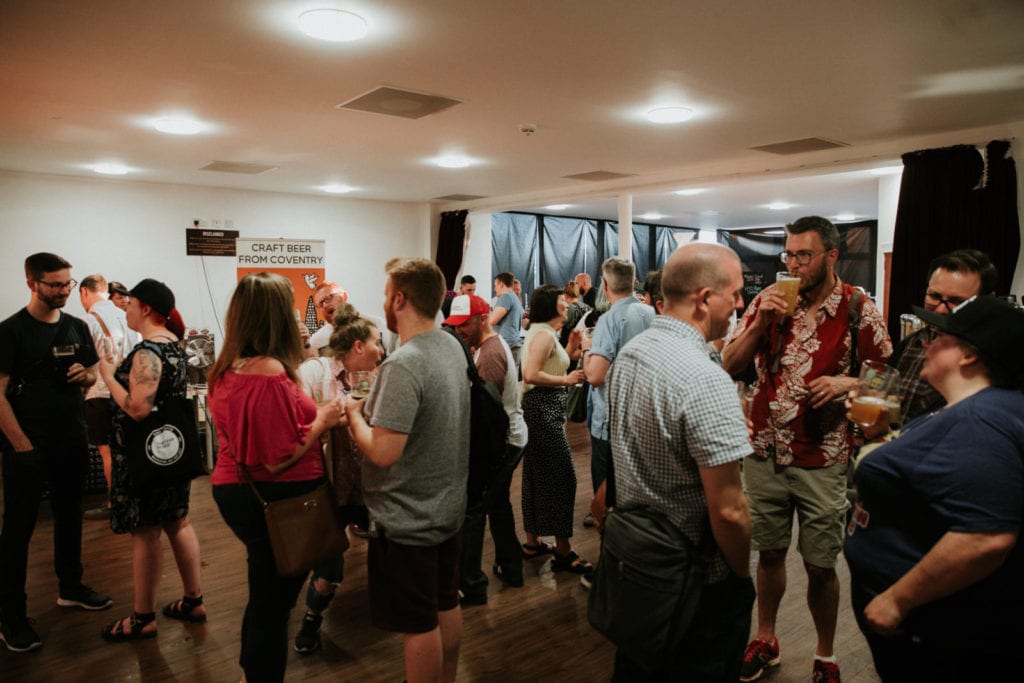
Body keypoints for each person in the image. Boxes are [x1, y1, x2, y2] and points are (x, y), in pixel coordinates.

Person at [722, 216, 892, 683]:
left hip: (823, 455)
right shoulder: (767, 301)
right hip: (764, 451)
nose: (793, 265)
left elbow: (887, 387)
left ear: (832, 256)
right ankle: (766, 638)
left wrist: (849, 381)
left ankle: (825, 654)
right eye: (788, 254)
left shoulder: (859, 309)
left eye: (804, 255)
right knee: (770, 553)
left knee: (820, 565)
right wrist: (761, 325)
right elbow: (730, 364)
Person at [845, 296, 1024, 680]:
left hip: (934, 631)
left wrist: (896, 599)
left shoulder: (980, 420)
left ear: (968, 356)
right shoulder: (966, 409)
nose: (925, 343)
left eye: (940, 337)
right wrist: (880, 435)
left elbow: (986, 535)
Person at [607, 242, 754, 681]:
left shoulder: (631, 354)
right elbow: (729, 509)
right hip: (695, 581)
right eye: (737, 293)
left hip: (636, 562)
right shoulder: (705, 378)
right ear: (705, 298)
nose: (741, 304)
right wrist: (740, 576)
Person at [207, 272, 342, 683]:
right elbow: (278, 460)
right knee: (273, 603)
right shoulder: (268, 374)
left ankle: (255, 673)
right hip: (278, 498)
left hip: (239, 490)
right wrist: (321, 421)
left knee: (266, 593)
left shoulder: (229, 368)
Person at [345, 257, 470, 683]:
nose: (382, 304)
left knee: (417, 624)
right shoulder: (451, 345)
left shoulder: (404, 363)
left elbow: (382, 452)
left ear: (399, 299)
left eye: (385, 295)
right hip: (447, 507)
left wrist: (353, 417)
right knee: (444, 602)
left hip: (408, 517)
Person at [0, 252, 112, 653]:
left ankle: (72, 586)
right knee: (18, 531)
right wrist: (22, 445)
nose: (64, 290)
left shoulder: (78, 327)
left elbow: (94, 371)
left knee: (70, 518)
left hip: (70, 440)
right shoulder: (10, 332)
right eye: (55, 284)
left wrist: (86, 376)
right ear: (31, 282)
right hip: (26, 447)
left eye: (68, 283)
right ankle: (11, 616)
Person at [97, 279, 205, 641]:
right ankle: (194, 600)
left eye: (129, 304)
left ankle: (142, 617)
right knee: (179, 521)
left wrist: (109, 376)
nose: (124, 310)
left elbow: (137, 408)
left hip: (143, 457)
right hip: (170, 453)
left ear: (145, 308)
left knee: (145, 533)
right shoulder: (175, 346)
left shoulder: (148, 353)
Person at [293, 302, 383, 654]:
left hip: (370, 485)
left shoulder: (379, 375)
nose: (382, 349)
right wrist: (332, 416)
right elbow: (297, 414)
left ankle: (394, 611)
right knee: (329, 567)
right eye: (376, 342)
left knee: (389, 553)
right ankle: (312, 618)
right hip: (328, 485)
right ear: (358, 346)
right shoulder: (315, 371)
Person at [447, 294, 529, 605]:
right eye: (455, 325)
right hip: (509, 438)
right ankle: (511, 567)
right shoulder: (482, 347)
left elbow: (485, 415)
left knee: (474, 510)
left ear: (484, 319)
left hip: (504, 442)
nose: (459, 331)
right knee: (496, 505)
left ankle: (472, 584)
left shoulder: (492, 353)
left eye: (464, 324)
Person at [518, 285, 590, 573]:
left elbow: (555, 365)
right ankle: (562, 551)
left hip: (540, 411)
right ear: (552, 305)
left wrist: (571, 347)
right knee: (563, 478)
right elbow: (531, 374)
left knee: (536, 476)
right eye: (562, 301)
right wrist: (568, 381)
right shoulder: (544, 334)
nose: (567, 304)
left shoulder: (543, 332)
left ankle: (533, 541)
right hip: (543, 411)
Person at [888, 249, 997, 423]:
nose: (940, 309)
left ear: (987, 301)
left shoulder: (996, 363)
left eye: (957, 301)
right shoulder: (912, 343)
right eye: (934, 296)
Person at [583, 258, 654, 524]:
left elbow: (596, 376)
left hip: (613, 419)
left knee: (607, 498)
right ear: (634, 280)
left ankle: (610, 544)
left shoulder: (609, 319)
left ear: (604, 284)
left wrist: (588, 350)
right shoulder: (651, 314)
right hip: (645, 414)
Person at [79, 274, 139, 520]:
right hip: (126, 393)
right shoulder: (127, 317)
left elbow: (83, 366)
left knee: (107, 453)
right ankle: (133, 496)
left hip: (100, 393)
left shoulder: (86, 321)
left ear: (84, 292)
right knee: (127, 449)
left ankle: (115, 503)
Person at [490, 272, 524, 373]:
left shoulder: (505, 297)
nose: (495, 289)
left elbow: (492, 320)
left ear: (501, 284)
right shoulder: (514, 298)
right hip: (512, 345)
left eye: (495, 286)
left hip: (507, 346)